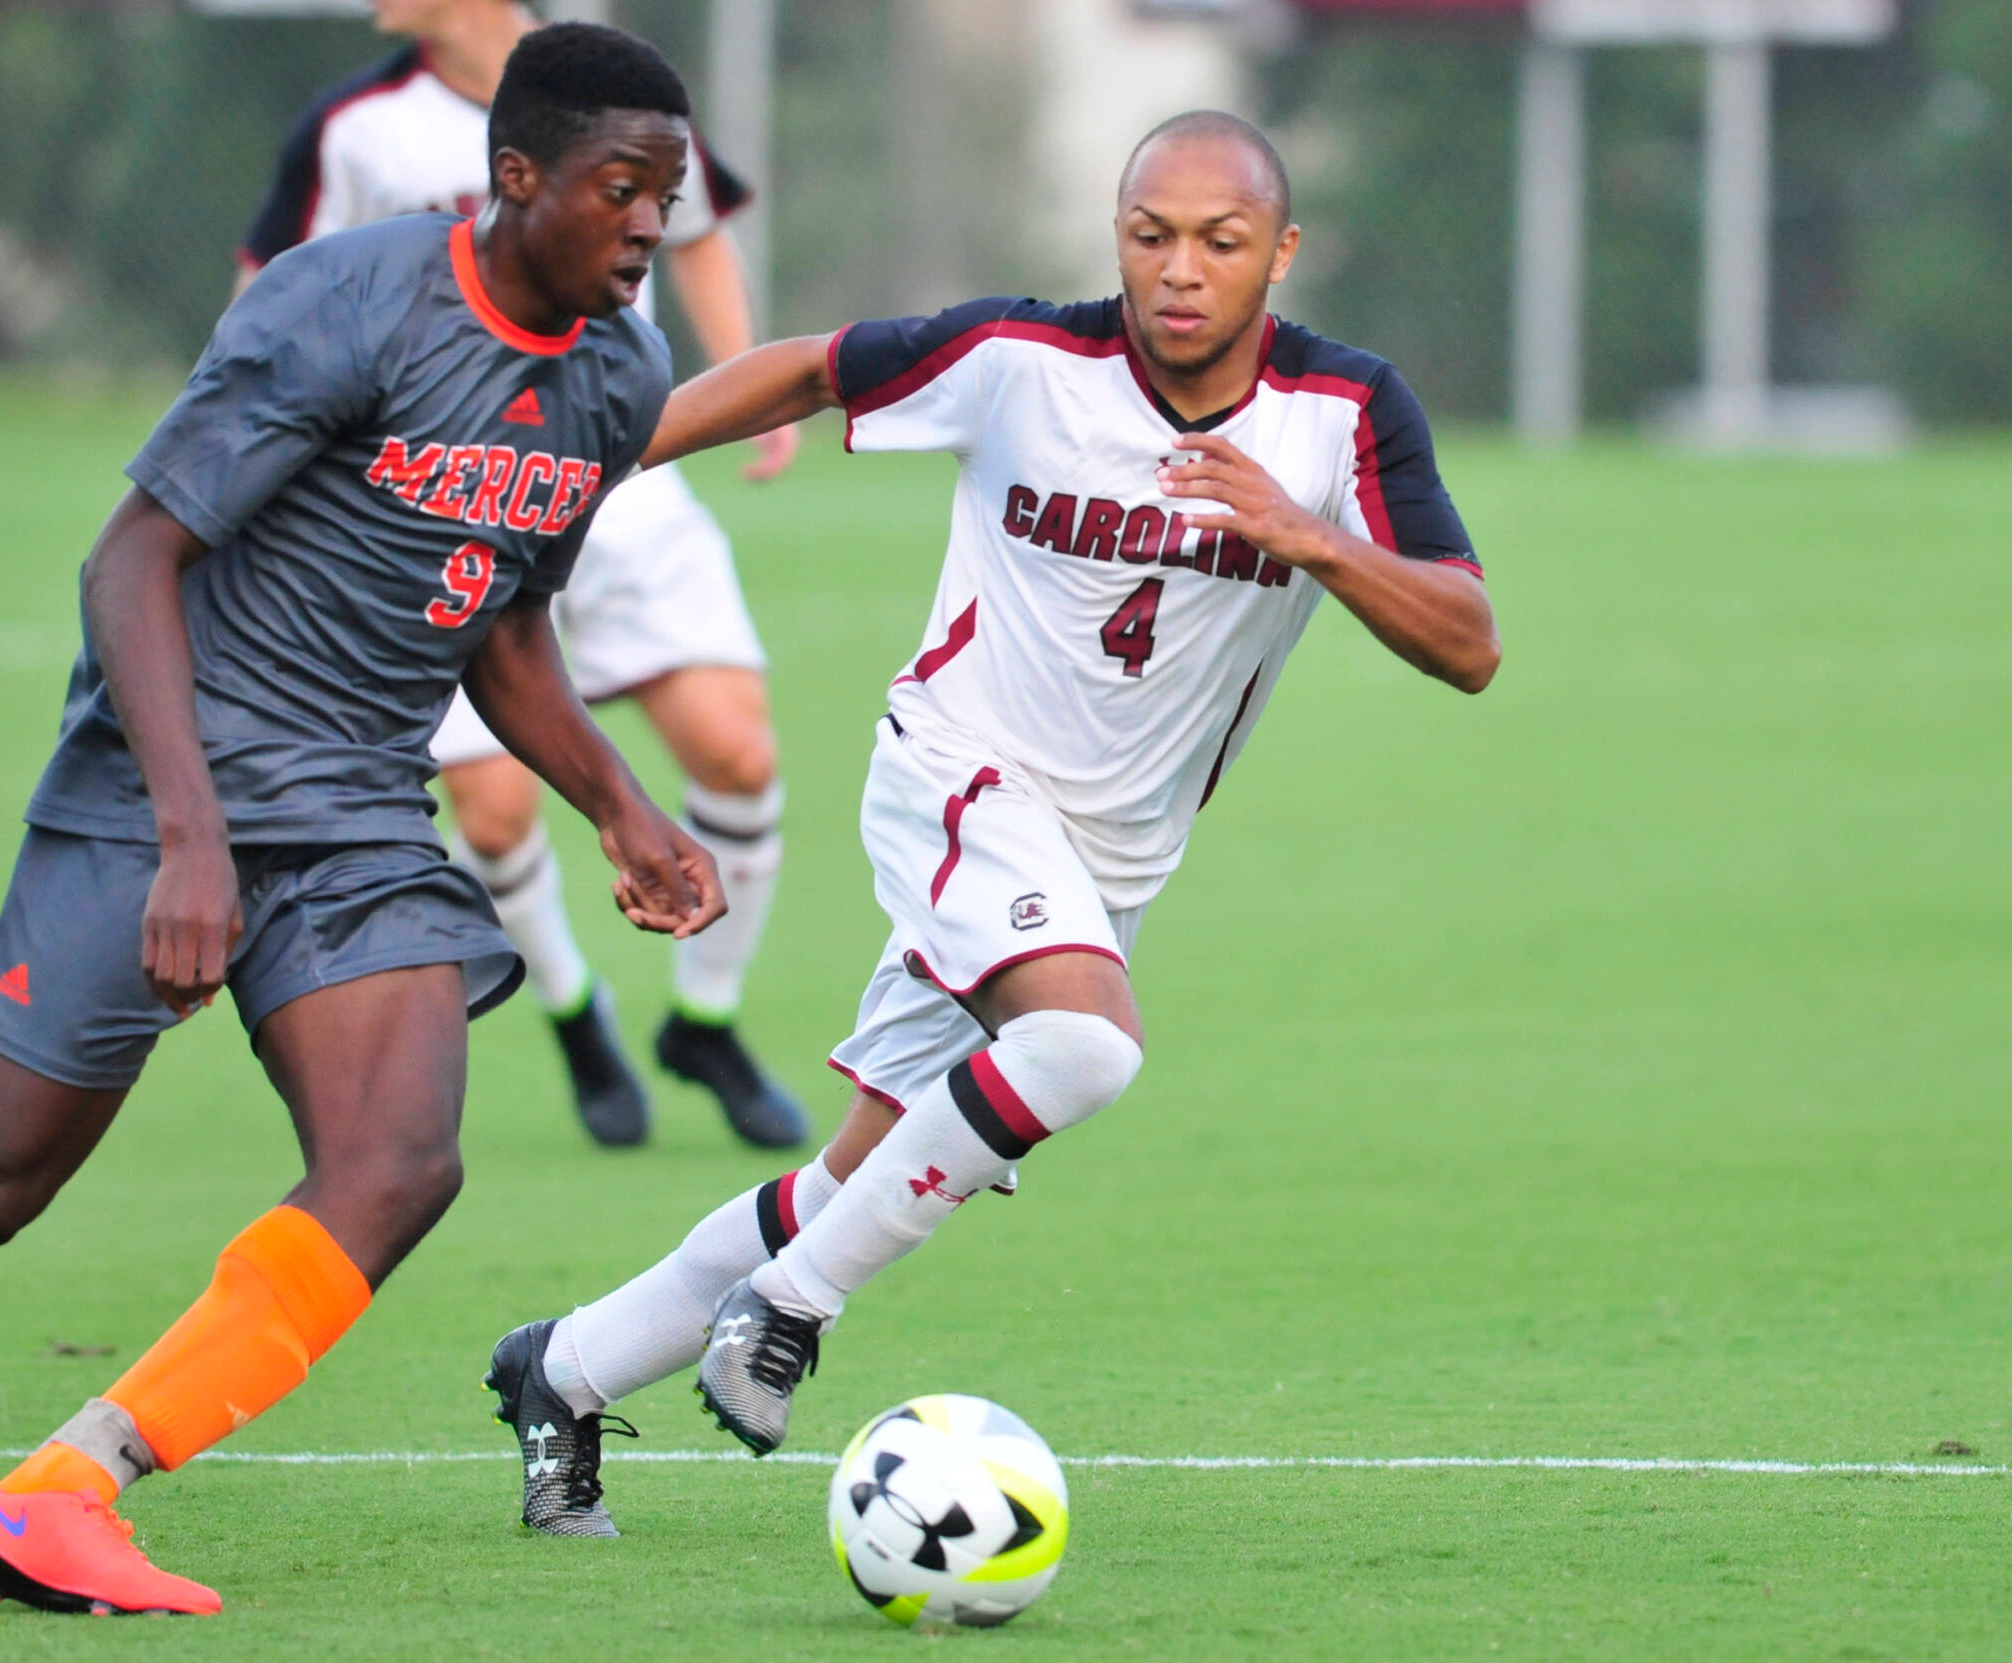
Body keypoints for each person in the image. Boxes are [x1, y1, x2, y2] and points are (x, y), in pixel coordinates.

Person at [476, 110, 1501, 1537]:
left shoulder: (1344, 411)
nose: (1180, 270)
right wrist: (588, 463)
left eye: (1220, 241)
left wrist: (1313, 538)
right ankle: (789, 1309)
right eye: (1151, 237)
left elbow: (1469, 639)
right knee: (1083, 1043)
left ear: (1283, 250)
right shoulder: (1026, 359)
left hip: (1106, 858)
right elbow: (811, 369)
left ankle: (564, 1371)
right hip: (956, 772)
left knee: (861, 1164)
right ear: (1117, 240)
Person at [0, 23, 719, 1616]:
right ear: (520, 180)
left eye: (669, 197)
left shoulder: (622, 375)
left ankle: (64, 1487)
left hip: (359, 803)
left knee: (399, 1156)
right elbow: (129, 562)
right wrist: (193, 841)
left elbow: (500, 624)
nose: (651, 228)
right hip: (165, 787)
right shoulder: (344, 303)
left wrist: (624, 807)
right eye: (621, 192)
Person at [239, 0, 807, 1150]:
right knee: (492, 810)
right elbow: (271, 284)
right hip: (430, 500)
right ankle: (576, 1014)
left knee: (738, 750)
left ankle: (705, 1017)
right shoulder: (354, 125)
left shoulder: (610, 86)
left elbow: (699, 234)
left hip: (620, 480)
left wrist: (747, 396)